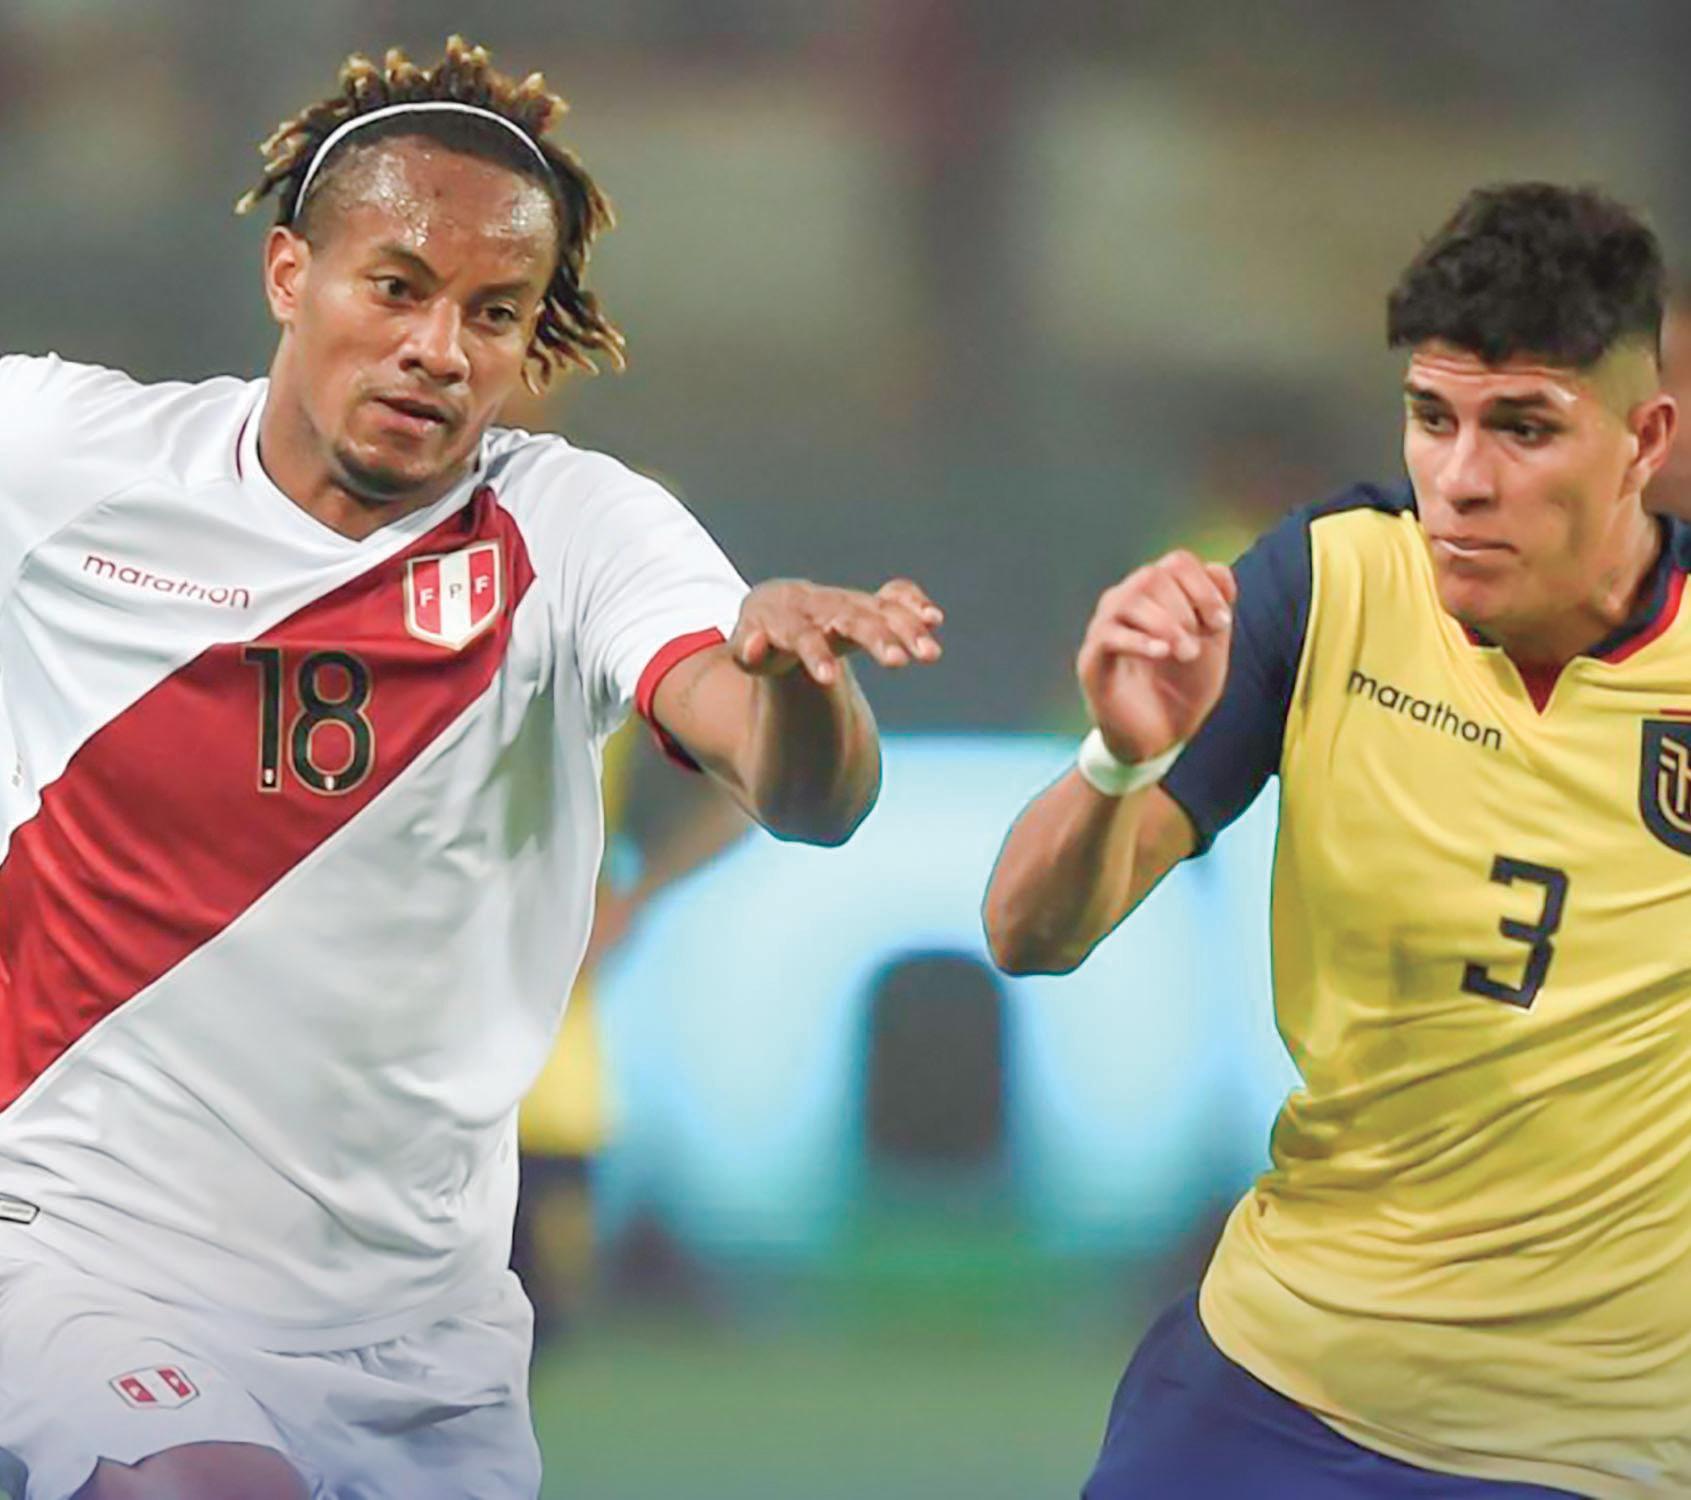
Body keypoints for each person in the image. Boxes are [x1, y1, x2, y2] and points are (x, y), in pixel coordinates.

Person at [0, 36, 942, 1500]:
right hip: (86, 1258)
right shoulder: (65, 459)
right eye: (397, 288)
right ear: (288, 275)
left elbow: (807, 797)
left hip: (420, 1334)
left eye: (493, 313)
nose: (441, 348)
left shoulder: (575, 529)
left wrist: (803, 684)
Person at [984, 181, 1686, 1498]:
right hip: (1272, 1391)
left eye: (1525, 427)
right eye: (1433, 418)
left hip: (1595, 1457)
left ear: (1644, 439)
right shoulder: (1329, 584)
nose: (1462, 480)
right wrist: (1121, 759)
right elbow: (1027, 933)